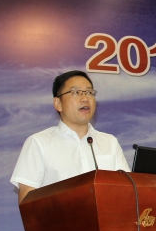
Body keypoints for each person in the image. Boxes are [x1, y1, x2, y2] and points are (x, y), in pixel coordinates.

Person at [11, 70, 130, 204]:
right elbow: (27, 201)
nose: (85, 98)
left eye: (89, 92)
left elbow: (128, 191)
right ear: (58, 103)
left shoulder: (110, 142)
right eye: (76, 92)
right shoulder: (39, 143)